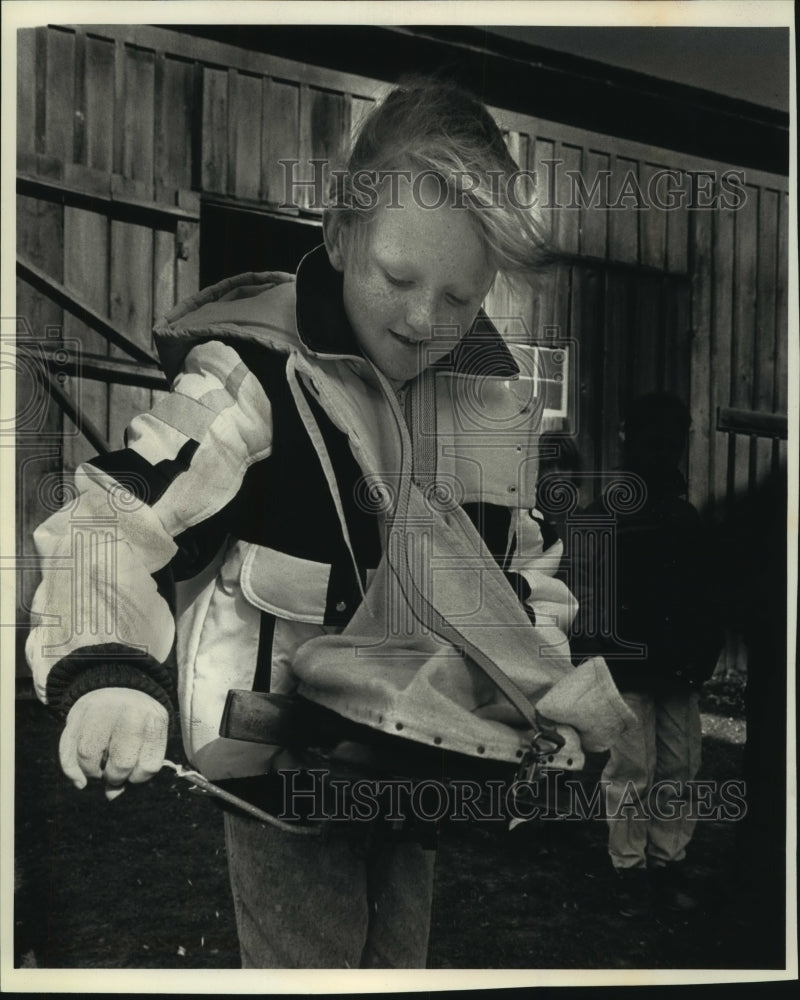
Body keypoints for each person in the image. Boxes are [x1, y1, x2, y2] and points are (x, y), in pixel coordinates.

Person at [25, 78, 634, 969]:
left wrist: (547, 704)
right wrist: (112, 672)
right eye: (399, 278)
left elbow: (524, 579)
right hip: (281, 777)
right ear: (343, 234)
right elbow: (115, 518)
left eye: (462, 299)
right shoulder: (252, 377)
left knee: (396, 963)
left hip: (424, 769)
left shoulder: (486, 411)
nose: (427, 321)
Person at [570, 392, 724, 915]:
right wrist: (594, 654)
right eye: (649, 442)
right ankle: (629, 871)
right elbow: (586, 592)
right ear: (628, 443)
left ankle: (668, 863)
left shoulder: (685, 519)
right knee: (632, 766)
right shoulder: (605, 516)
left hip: (678, 668)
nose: (661, 454)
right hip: (626, 667)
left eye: (670, 444)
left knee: (680, 765)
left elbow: (708, 596)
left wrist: (702, 655)